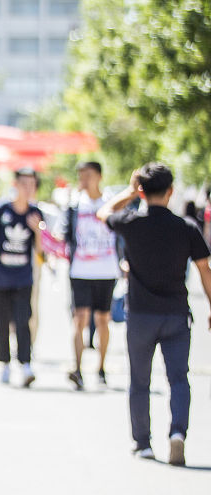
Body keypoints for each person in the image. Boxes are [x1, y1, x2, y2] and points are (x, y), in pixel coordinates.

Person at [98, 163, 211, 465]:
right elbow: (204, 270)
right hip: (176, 315)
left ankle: (143, 443)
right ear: (171, 191)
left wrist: (128, 191)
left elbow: (103, 212)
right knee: (178, 378)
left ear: (142, 192)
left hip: (141, 317)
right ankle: (177, 433)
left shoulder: (131, 222)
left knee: (140, 381)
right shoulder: (186, 227)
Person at [0, 168, 44, 386]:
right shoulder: (0, 209)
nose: (28, 188)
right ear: (15, 184)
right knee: (0, 322)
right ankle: (3, 363)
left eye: (32, 184)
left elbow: (41, 252)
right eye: (24, 183)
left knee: (23, 321)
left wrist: (38, 231)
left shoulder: (35, 212)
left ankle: (26, 364)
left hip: (23, 277)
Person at [63, 161, 121, 390]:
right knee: (80, 318)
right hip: (80, 270)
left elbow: (120, 232)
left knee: (103, 319)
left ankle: (101, 368)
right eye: (80, 176)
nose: (83, 180)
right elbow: (65, 234)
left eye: (87, 175)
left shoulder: (110, 203)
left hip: (106, 269)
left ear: (98, 176)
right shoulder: (75, 205)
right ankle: (77, 368)